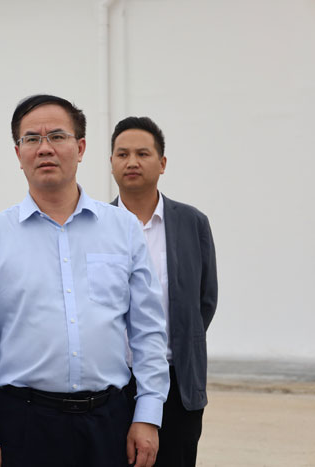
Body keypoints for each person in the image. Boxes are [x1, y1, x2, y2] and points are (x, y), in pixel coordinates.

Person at [0, 94, 169, 467]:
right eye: (31, 139)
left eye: (57, 136)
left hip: (109, 422)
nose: (45, 148)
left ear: (80, 147)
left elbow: (148, 330)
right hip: (24, 424)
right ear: (18, 153)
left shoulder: (122, 229)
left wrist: (148, 414)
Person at [109, 116, 217, 467]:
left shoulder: (192, 222)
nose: (132, 162)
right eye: (122, 154)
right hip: (110, 383)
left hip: (176, 381)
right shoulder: (95, 224)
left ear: (162, 163)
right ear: (111, 163)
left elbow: (205, 300)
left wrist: (179, 344)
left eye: (143, 153)